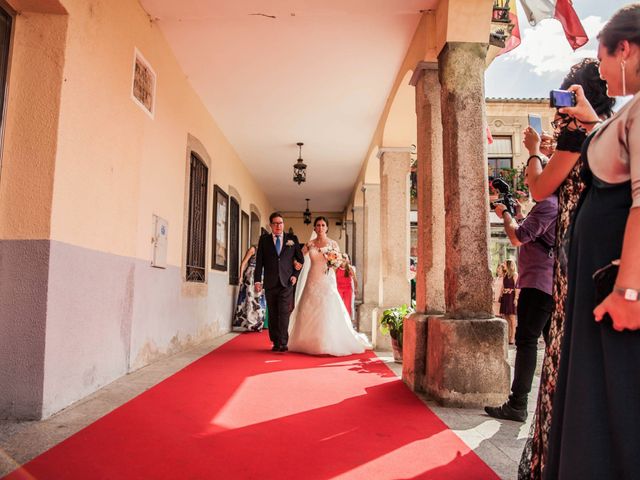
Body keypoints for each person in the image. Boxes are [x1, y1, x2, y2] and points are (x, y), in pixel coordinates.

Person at [544, 5, 640, 478]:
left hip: (615, 284)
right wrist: (588, 120)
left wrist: (628, 290)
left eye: (601, 54)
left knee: (614, 408)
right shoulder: (627, 114)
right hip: (600, 280)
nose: (599, 68)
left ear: (624, 48)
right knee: (596, 403)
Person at [518, 59, 614, 479]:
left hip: (572, 257)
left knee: (561, 351)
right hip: (597, 251)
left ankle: (555, 458)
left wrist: (535, 151)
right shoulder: (611, 129)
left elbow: (540, 188)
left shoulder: (575, 134)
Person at [485, 163, 558, 423]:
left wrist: (504, 213)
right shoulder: (549, 204)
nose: (528, 183)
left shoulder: (549, 204)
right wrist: (515, 210)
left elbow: (518, 237)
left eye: (530, 178)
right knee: (553, 345)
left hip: (539, 285)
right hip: (544, 283)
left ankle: (518, 404)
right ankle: (558, 401)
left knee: (527, 342)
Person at [288, 217, 371, 356]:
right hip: (312, 278)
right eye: (318, 225)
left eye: (323, 225)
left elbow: (340, 262)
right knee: (309, 307)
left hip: (327, 279)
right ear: (314, 228)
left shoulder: (333, 244)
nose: (320, 228)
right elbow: (299, 258)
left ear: (327, 228)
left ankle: (327, 341)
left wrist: (335, 261)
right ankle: (307, 340)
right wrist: (295, 263)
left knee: (328, 307)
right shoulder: (310, 244)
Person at [254, 212, 304, 352]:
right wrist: (257, 280)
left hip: (287, 282)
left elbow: (300, 260)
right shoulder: (264, 240)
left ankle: (283, 342)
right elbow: (259, 262)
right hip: (270, 282)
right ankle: (275, 340)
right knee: (274, 313)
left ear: (283, 224)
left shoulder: (292, 239)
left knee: (283, 312)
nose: (278, 226)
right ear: (270, 225)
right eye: (275, 223)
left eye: (280, 223)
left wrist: (295, 275)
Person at [232, 245, 266, 332]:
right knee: (249, 300)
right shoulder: (253, 249)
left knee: (260, 301)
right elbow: (243, 263)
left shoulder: (267, 250)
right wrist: (240, 277)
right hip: (251, 276)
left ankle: (258, 324)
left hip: (261, 277)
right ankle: (249, 324)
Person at [500, 259, 519, 344]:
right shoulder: (505, 275)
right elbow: (503, 286)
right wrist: (501, 295)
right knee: (506, 317)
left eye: (504, 263)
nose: (503, 264)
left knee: (512, 318)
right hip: (505, 296)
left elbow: (517, 287)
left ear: (508, 265)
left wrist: (516, 298)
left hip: (511, 297)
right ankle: (508, 337)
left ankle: (512, 337)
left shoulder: (515, 275)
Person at [335, 253, 357, 320]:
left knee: (347, 305)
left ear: (346, 261)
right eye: (341, 260)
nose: (343, 262)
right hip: (339, 288)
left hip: (348, 289)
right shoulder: (336, 269)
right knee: (338, 304)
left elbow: (355, 280)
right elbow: (334, 279)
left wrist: (355, 289)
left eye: (344, 261)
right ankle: (339, 319)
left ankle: (348, 320)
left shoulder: (350, 268)